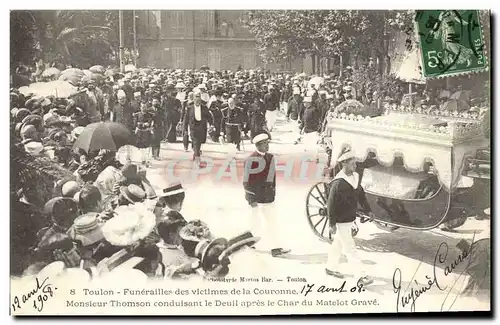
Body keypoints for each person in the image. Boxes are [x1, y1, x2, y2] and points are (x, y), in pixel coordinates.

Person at [325, 147, 375, 285]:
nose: (355, 166)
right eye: (352, 163)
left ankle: (330, 267)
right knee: (350, 248)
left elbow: (361, 194)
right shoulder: (338, 182)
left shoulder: (354, 177)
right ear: (344, 164)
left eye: (355, 163)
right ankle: (360, 276)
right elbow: (331, 204)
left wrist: (368, 210)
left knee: (338, 244)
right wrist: (331, 224)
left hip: (349, 218)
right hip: (341, 221)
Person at [243, 133, 290, 257]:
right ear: (258, 145)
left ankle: (273, 247)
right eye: (264, 144)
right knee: (257, 223)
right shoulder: (251, 159)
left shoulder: (270, 157)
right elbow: (246, 182)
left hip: (269, 197)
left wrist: (273, 192)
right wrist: (251, 199)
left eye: (268, 143)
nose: (267, 146)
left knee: (269, 222)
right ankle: (252, 244)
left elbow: (272, 178)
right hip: (257, 199)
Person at [182, 90, 213, 164]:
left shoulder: (204, 108)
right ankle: (197, 160)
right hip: (193, 128)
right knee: (196, 143)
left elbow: (209, 117)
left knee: (199, 143)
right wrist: (185, 129)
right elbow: (185, 120)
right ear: (194, 99)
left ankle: (195, 153)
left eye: (199, 98)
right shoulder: (190, 108)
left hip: (202, 128)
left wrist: (211, 124)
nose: (197, 100)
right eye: (196, 98)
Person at [302, 96, 322, 163]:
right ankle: (309, 157)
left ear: (308, 103)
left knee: (313, 145)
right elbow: (304, 120)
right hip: (307, 130)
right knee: (307, 145)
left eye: (305, 102)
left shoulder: (314, 110)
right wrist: (302, 127)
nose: (304, 104)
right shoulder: (306, 110)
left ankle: (316, 158)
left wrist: (315, 129)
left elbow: (316, 120)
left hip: (312, 130)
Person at [134, 102, 154, 166]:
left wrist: (147, 124)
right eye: (142, 107)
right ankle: (143, 160)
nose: (144, 108)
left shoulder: (150, 115)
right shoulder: (137, 115)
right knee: (142, 147)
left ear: (147, 107)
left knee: (147, 147)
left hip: (147, 132)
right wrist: (143, 124)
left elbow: (150, 122)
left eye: (145, 107)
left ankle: (147, 161)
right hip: (140, 133)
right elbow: (135, 123)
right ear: (140, 107)